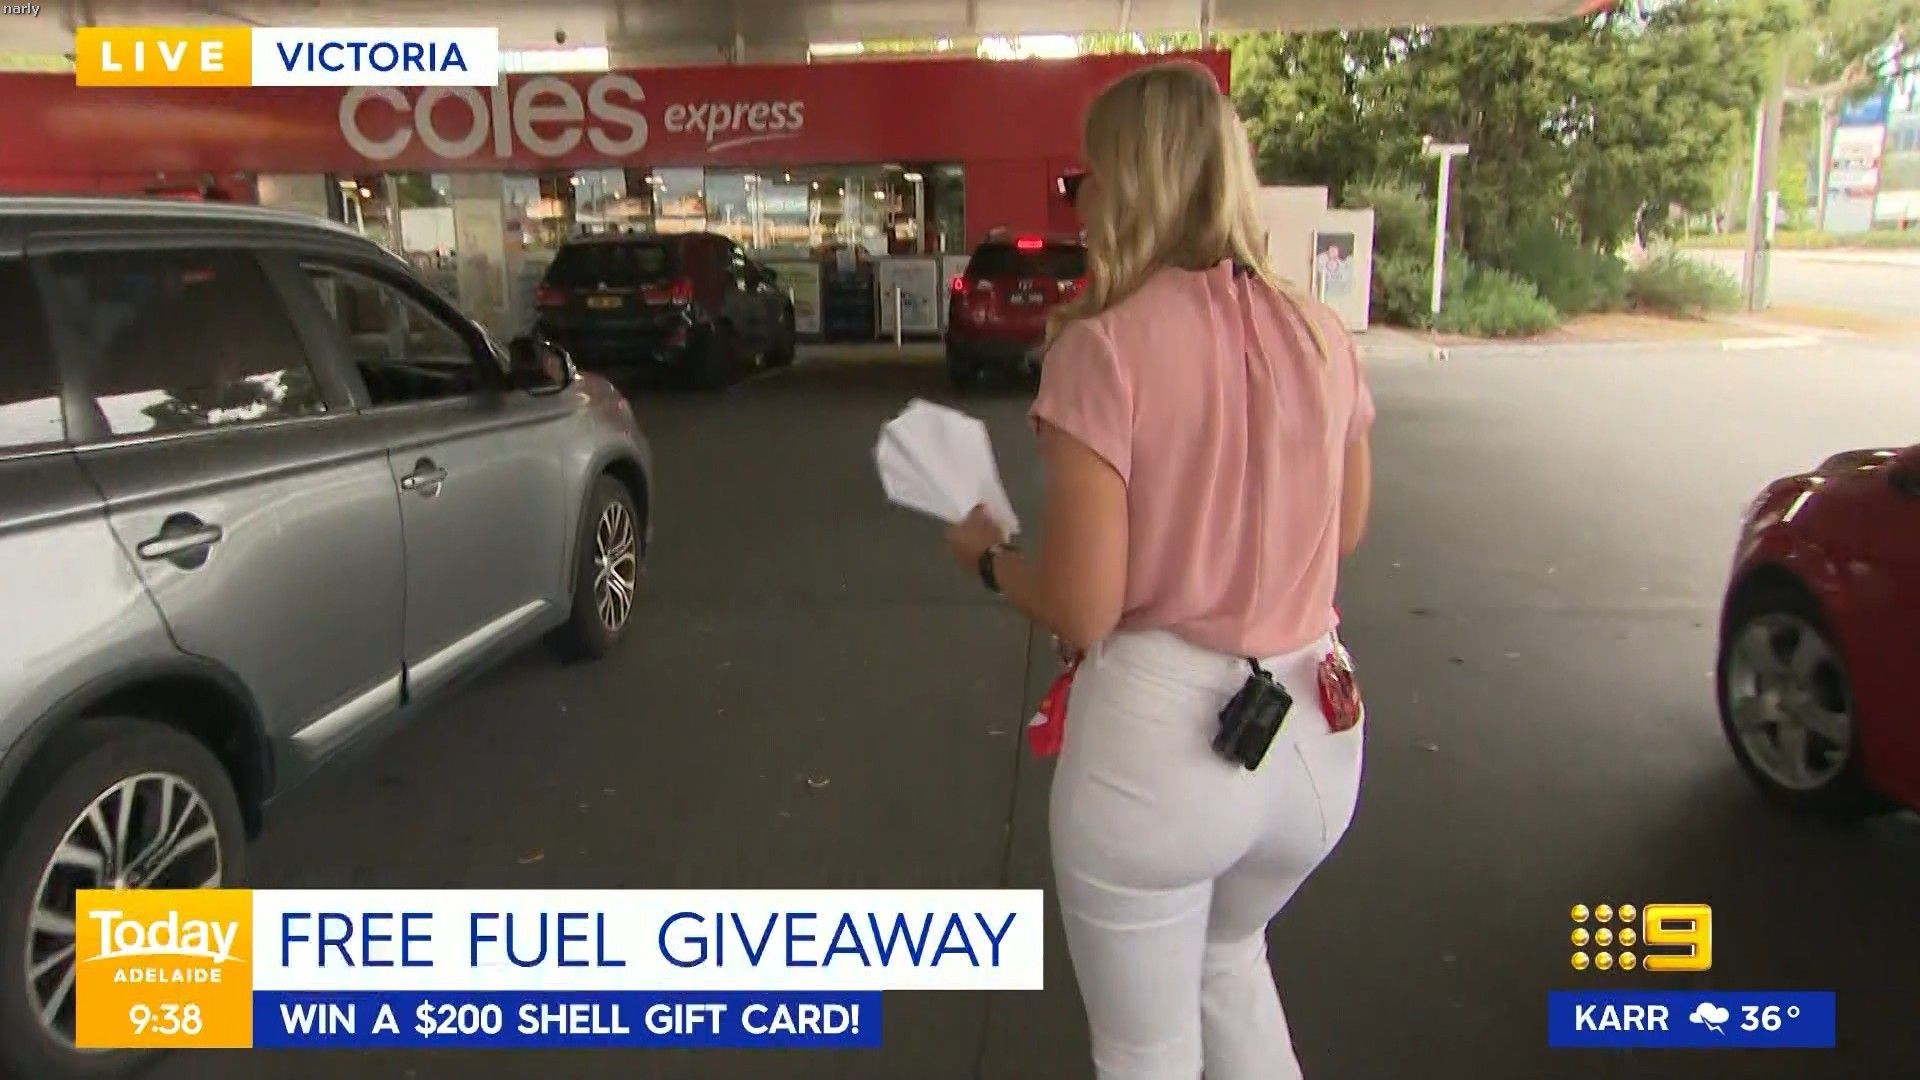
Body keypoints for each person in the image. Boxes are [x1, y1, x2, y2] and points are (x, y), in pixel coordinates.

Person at [941, 60, 1375, 1079]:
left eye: (1087, 176)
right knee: (1231, 961)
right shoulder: (1320, 333)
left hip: (1159, 751)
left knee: (1146, 1051)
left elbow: (1086, 608)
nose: (1080, 200)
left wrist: (989, 560)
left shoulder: (1104, 351)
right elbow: (1346, 528)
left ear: (1134, 182)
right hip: (1316, 739)